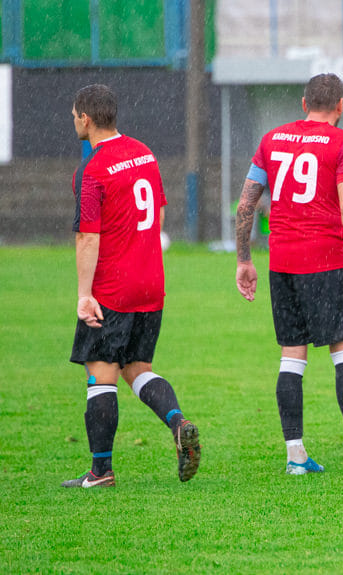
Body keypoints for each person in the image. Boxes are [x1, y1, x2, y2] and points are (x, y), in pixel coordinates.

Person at [235, 73, 343, 475]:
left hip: (282, 263)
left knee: (291, 357)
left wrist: (244, 259)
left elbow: (247, 202)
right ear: (340, 106)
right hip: (328, 260)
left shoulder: (272, 139)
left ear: (303, 103)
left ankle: (295, 456)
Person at [64, 84, 200, 488]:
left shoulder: (92, 169)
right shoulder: (144, 153)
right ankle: (179, 423)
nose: (73, 120)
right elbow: (157, 215)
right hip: (150, 284)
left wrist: (84, 295)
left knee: (101, 374)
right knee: (138, 369)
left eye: (74, 114)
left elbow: (87, 237)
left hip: (114, 287)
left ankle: (101, 471)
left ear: (85, 119)